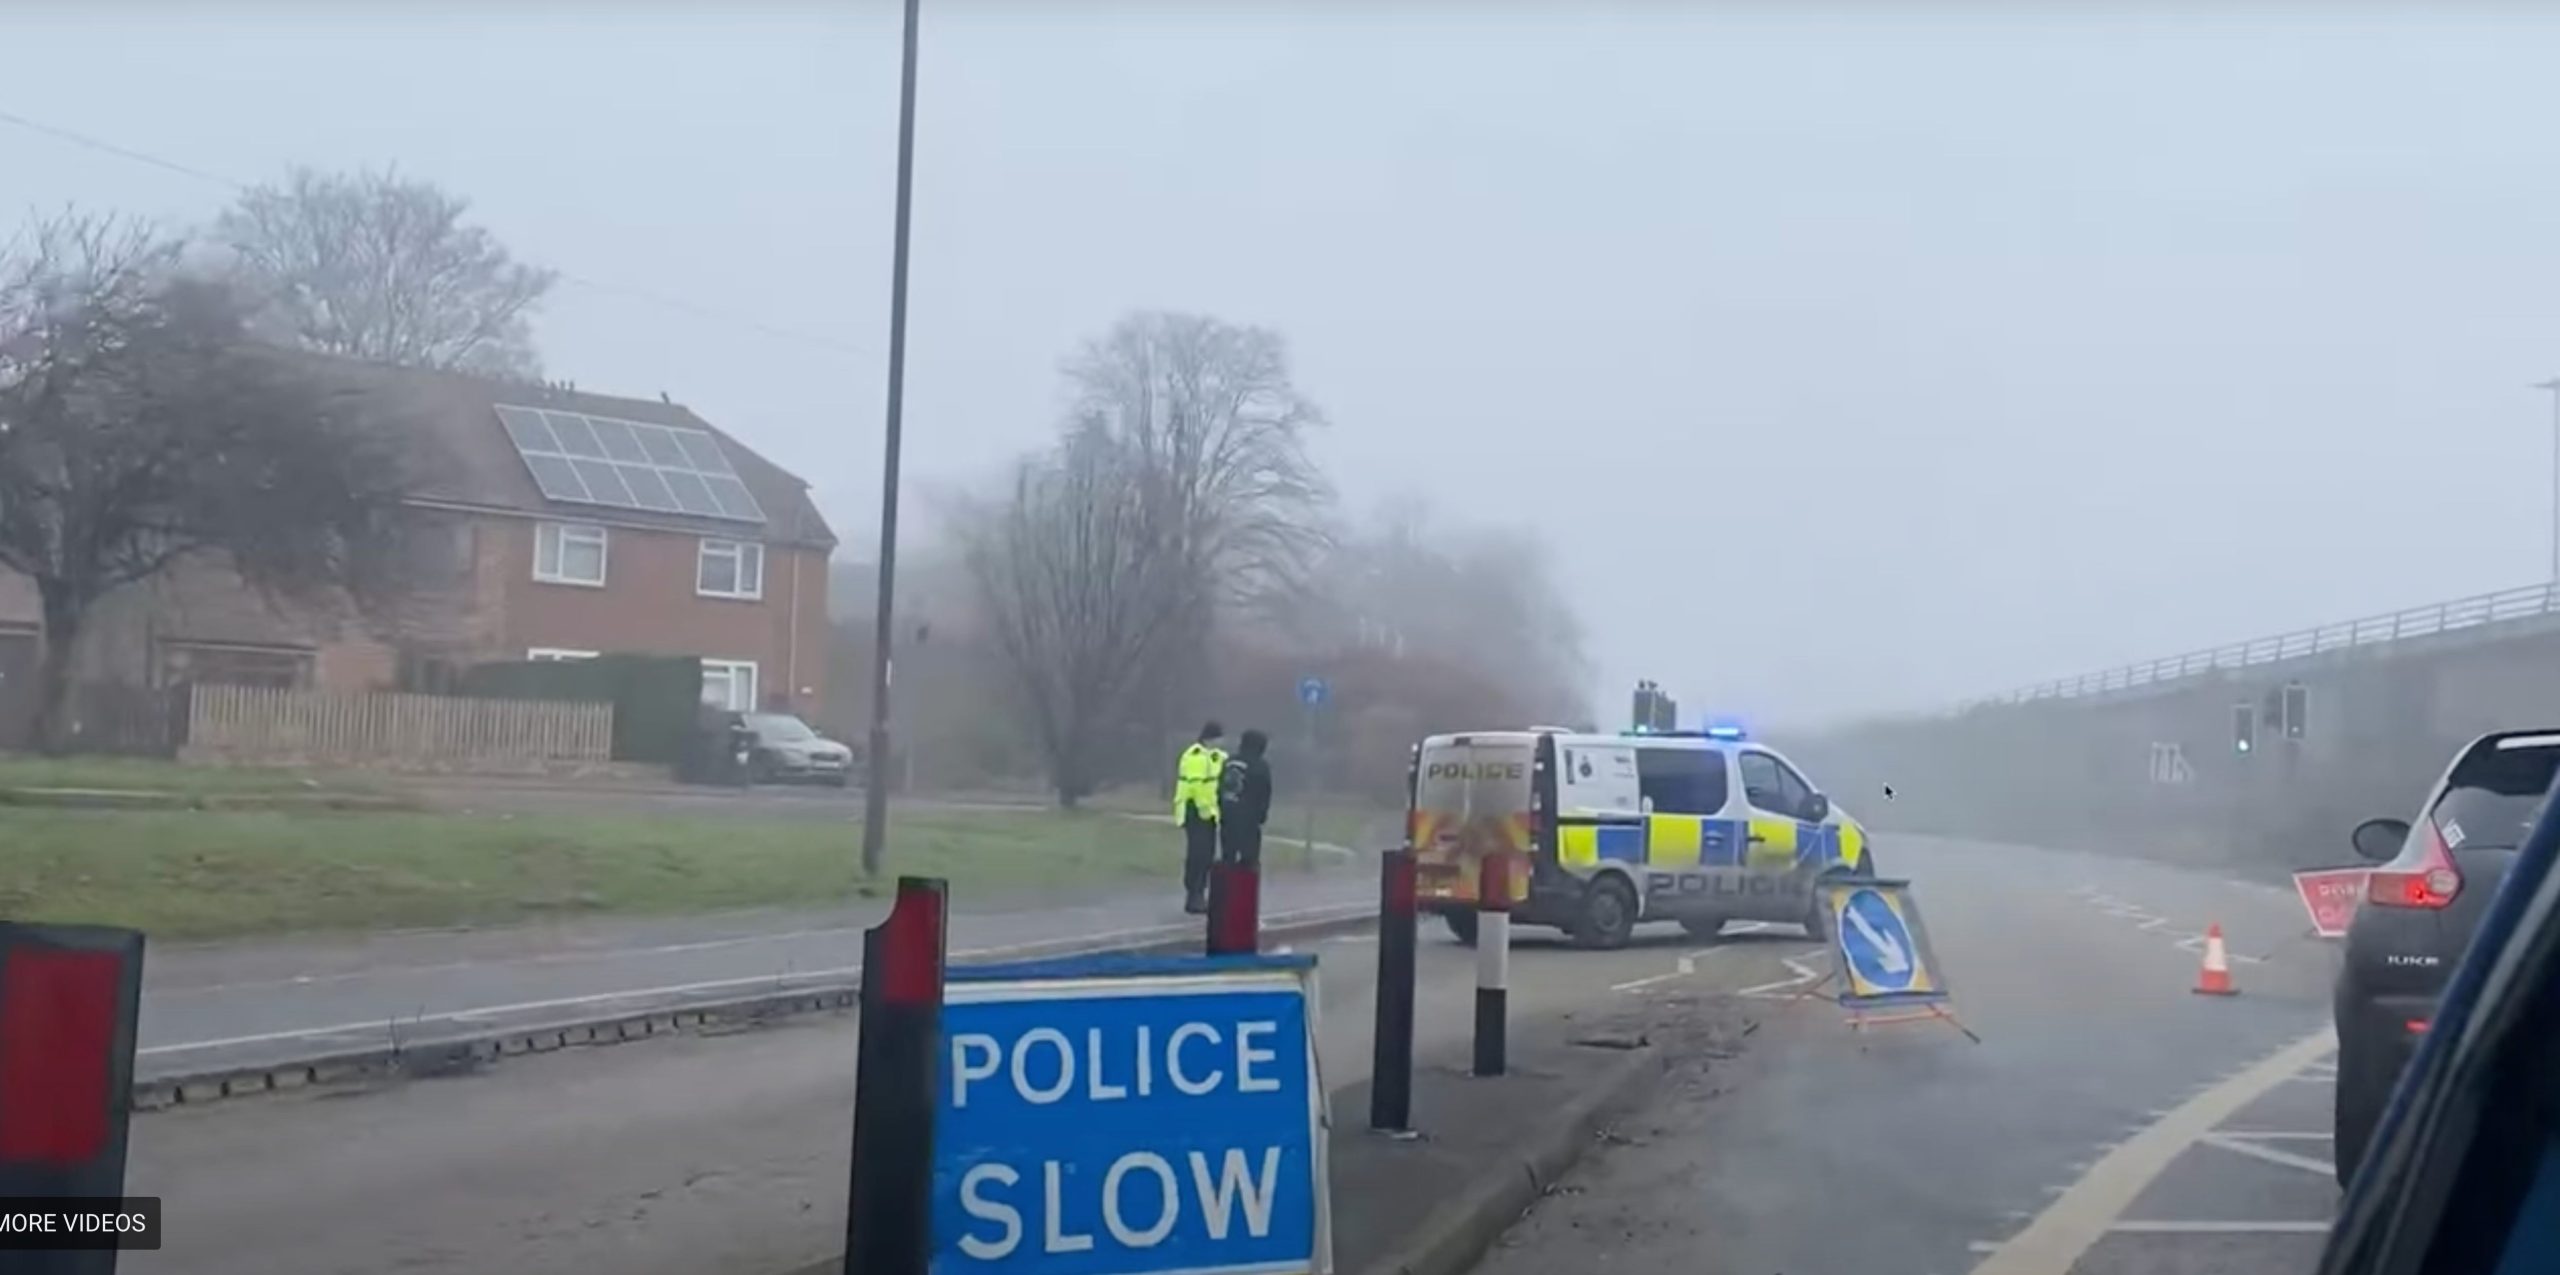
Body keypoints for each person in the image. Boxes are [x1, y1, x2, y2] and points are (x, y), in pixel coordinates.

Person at [1174, 721, 1227, 914]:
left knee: (1207, 855)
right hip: (1195, 812)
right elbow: (1196, 787)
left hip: (1210, 812)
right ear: (1208, 738)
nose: (1222, 742)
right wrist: (1205, 810)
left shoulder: (1217, 756)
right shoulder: (1195, 756)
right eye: (1218, 738)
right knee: (1199, 855)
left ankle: (1200, 893)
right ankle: (1193, 894)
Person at [1218, 729, 1274, 869]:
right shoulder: (1260, 765)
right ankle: (1244, 889)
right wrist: (1262, 814)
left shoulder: (1229, 762)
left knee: (1227, 857)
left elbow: (1220, 787)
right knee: (1249, 860)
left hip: (1228, 816)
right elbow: (1264, 791)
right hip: (1249, 819)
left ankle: (1226, 888)